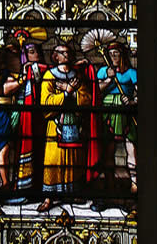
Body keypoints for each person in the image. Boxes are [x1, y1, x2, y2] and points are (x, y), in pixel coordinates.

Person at [37, 43, 102, 210]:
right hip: (55, 126)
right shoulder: (49, 76)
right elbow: (45, 103)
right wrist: (66, 93)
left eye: (67, 52)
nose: (65, 55)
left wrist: (71, 90)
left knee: (74, 160)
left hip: (75, 126)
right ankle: (49, 198)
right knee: (52, 161)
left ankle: (72, 193)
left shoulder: (78, 76)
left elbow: (86, 99)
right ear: (54, 57)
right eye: (61, 52)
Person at [97, 42, 138, 195]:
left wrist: (133, 101)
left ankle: (135, 183)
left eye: (116, 53)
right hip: (107, 113)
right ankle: (109, 182)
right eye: (111, 53)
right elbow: (95, 91)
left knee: (132, 148)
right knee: (108, 149)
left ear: (123, 54)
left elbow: (141, 91)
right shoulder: (103, 71)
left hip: (126, 112)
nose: (113, 56)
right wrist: (108, 79)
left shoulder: (131, 73)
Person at [15, 41, 49, 203]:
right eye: (30, 52)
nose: (35, 54)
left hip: (41, 118)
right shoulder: (25, 70)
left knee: (40, 150)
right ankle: (25, 187)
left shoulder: (42, 69)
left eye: (36, 51)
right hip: (25, 119)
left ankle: (38, 188)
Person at [0, 47, 22, 191]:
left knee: (11, 149)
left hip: (11, 113)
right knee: (4, 150)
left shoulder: (10, 73)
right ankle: (5, 183)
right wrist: (20, 82)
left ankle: (14, 181)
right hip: (0, 115)